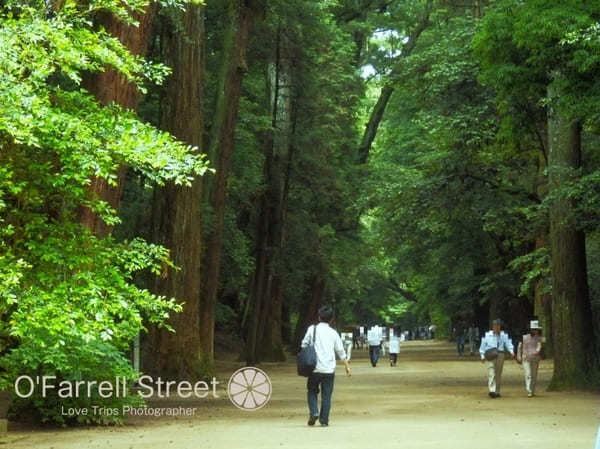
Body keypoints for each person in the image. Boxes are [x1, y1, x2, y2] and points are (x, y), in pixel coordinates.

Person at [301, 306, 351, 427]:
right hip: (329, 369)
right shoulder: (333, 333)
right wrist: (347, 366)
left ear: (319, 317)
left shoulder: (312, 329)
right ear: (331, 319)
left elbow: (304, 344)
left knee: (312, 391)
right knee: (326, 395)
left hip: (314, 368)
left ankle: (314, 411)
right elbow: (340, 351)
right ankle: (324, 420)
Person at [479, 318, 515, 398]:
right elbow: (482, 346)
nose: (497, 327)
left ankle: (497, 391)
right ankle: (492, 390)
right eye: (495, 326)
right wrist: (482, 356)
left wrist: (511, 351)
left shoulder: (504, 335)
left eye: (498, 326)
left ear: (500, 326)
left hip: (500, 354)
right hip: (491, 354)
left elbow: (508, 343)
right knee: (491, 372)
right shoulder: (487, 335)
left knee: (498, 373)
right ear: (493, 326)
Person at [517, 320, 545, 397]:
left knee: (534, 375)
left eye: (537, 329)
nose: (535, 331)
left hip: (535, 358)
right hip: (526, 358)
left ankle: (532, 390)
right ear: (531, 329)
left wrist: (538, 350)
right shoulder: (524, 337)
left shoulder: (540, 338)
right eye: (534, 329)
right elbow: (519, 346)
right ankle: (529, 389)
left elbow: (540, 345)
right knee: (528, 374)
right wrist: (518, 356)